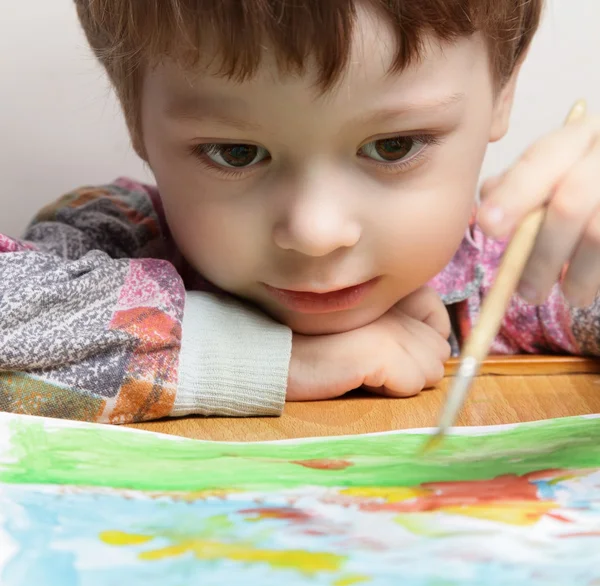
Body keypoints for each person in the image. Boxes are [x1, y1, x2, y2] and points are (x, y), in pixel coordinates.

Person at [1, 0, 599, 424]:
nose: (316, 233)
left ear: (503, 91)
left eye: (394, 146)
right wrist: (269, 361)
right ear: (136, 117)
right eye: (235, 153)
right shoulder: (117, 234)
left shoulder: (520, 270)